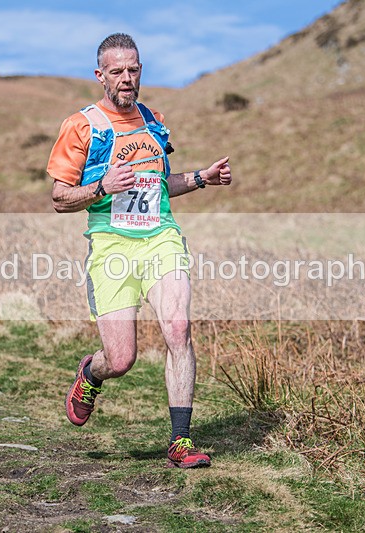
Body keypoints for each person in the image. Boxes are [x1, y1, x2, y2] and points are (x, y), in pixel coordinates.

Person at [47, 33, 232, 468]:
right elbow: (59, 197)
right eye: (117, 71)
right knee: (121, 358)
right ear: (100, 76)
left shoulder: (153, 120)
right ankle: (90, 373)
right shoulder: (82, 126)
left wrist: (202, 177)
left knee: (178, 327)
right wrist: (101, 187)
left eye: (133, 69)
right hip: (111, 245)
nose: (126, 78)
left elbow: (160, 186)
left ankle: (180, 441)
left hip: (160, 238)